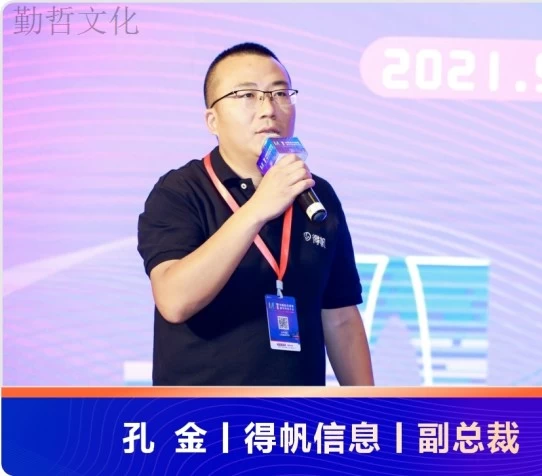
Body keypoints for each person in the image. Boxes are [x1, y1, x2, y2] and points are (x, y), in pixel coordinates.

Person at [137, 42, 374, 386]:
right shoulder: (180, 191)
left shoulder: (315, 193)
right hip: (202, 413)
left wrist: (368, 405)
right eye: (247, 95)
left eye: (280, 94)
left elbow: (340, 317)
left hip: (297, 413)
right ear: (212, 120)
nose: (269, 109)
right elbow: (174, 301)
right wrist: (258, 209)